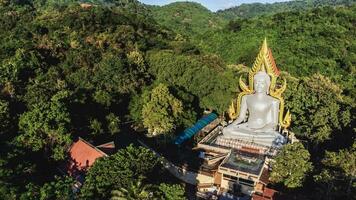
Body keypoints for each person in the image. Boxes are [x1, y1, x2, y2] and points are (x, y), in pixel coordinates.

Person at [222, 71, 285, 147]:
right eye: (256, 83)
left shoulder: (274, 101)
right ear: (253, 83)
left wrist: (261, 130)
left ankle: (254, 137)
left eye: (262, 83)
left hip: (263, 132)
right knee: (226, 130)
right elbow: (241, 117)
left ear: (267, 85)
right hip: (247, 128)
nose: (259, 85)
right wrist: (232, 125)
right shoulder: (246, 98)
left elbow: (274, 122)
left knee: (279, 140)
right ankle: (252, 137)